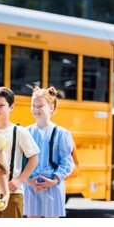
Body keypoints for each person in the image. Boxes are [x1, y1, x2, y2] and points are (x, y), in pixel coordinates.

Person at [24, 86, 75, 218]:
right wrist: (28, 180)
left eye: (40, 106)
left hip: (53, 185)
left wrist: (55, 179)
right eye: (33, 105)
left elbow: (67, 161)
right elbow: (19, 160)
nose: (35, 109)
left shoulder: (62, 133)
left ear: (51, 107)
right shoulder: (25, 132)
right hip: (31, 185)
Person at [0, 86, 40, 218]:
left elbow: (34, 158)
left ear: (11, 107)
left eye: (1, 105)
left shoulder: (19, 131)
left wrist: (20, 180)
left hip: (13, 193)